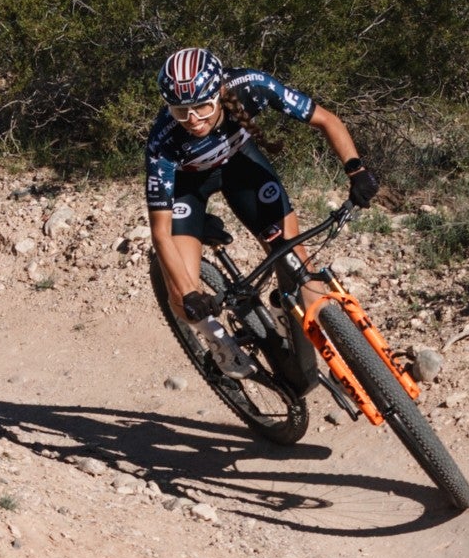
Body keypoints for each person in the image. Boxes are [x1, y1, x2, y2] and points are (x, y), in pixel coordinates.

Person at [146, 46, 378, 378]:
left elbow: (326, 120)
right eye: (181, 111)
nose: (193, 120)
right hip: (187, 187)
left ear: (221, 91)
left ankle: (341, 353)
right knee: (180, 293)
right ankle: (220, 344)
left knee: (296, 259)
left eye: (202, 106)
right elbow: (160, 233)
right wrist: (191, 294)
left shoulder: (252, 85)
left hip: (241, 165)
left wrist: (356, 170)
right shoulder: (163, 141)